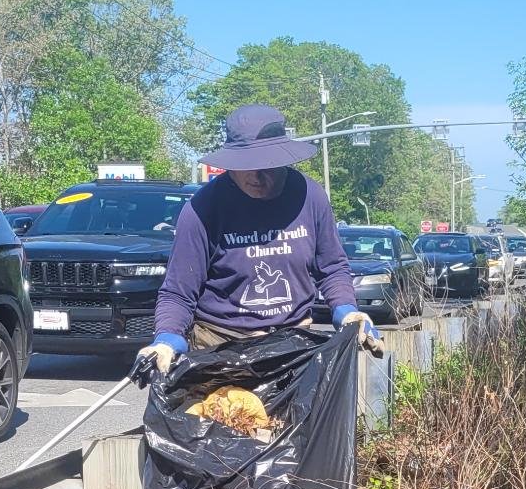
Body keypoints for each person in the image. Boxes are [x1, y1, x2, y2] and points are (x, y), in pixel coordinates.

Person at [137, 103, 374, 372]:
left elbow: (331, 268)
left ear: (283, 159)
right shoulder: (203, 208)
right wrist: (167, 337)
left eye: (266, 166)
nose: (256, 176)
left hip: (292, 346)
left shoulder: (310, 197)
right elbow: (179, 292)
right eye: (245, 165)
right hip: (220, 349)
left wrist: (347, 310)